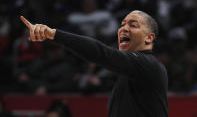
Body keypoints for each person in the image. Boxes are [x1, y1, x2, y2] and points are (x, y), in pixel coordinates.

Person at [20, 10, 168, 117]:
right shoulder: (131, 72)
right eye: (122, 24)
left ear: (149, 38)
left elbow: (101, 53)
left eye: (133, 25)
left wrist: (53, 34)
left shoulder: (148, 65)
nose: (124, 28)